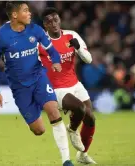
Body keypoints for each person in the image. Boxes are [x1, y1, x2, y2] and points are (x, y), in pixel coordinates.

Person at [0, 2, 73, 166]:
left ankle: (66, 160)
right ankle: (35, 111)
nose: (30, 13)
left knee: (53, 112)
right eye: (25, 11)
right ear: (14, 15)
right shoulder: (2, 36)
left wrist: (55, 61)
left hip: (39, 76)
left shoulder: (35, 30)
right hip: (20, 88)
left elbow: (52, 51)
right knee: (39, 130)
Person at [38, 7, 97, 164]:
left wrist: (78, 47)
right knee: (80, 109)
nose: (54, 24)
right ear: (45, 25)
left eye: (56, 19)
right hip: (56, 88)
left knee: (90, 118)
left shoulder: (72, 35)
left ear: (60, 20)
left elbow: (89, 60)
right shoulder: (40, 42)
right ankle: (71, 129)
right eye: (49, 22)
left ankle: (83, 155)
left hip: (75, 84)